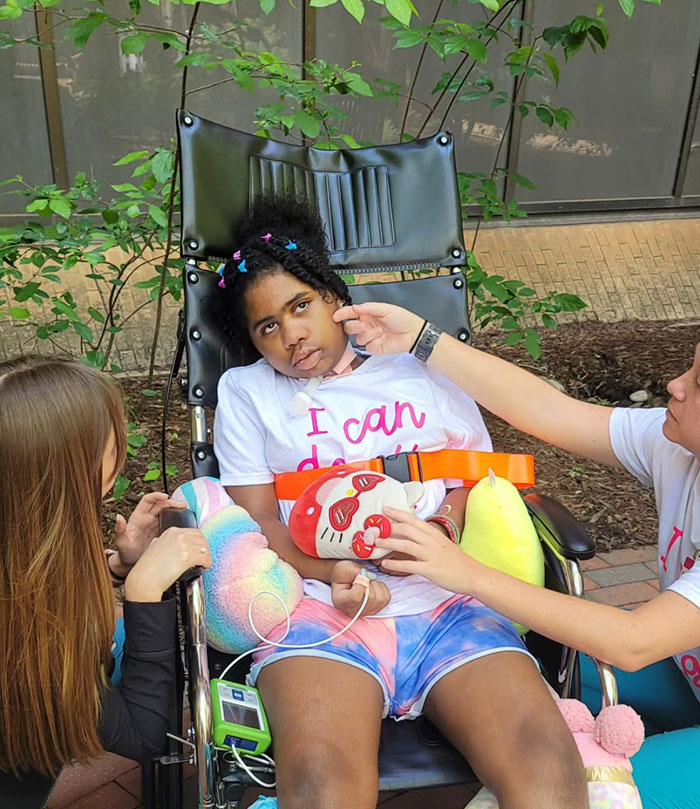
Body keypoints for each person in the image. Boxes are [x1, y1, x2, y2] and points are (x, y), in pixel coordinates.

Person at [210, 196, 588, 809]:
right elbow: (256, 524)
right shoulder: (247, 392)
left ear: (334, 297)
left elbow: (471, 477)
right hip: (322, 615)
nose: (292, 334)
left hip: (448, 602)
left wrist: (439, 532)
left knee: (546, 769)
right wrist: (332, 572)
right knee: (323, 787)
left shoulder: (415, 369)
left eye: (301, 306)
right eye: (267, 327)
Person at [334, 298, 700, 809]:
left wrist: (467, 573)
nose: (675, 384)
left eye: (698, 383)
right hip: (686, 673)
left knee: (587, 786)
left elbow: (633, 642)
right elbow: (550, 412)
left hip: (656, 653)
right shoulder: (678, 445)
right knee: (539, 682)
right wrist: (422, 338)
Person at [0, 356, 211, 808]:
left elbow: (36, 582)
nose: (122, 449)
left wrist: (118, 565)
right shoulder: (29, 639)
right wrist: (143, 592)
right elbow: (145, 733)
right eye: (111, 441)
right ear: (69, 467)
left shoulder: (17, 537)